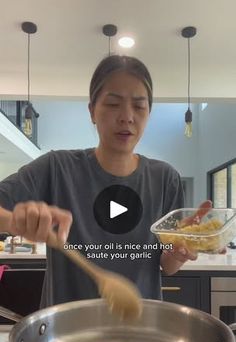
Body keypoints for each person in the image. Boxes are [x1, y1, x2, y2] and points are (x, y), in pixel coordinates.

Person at [0, 54, 205, 308]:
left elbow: (166, 265)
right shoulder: (56, 169)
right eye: (113, 103)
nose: (127, 116)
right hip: (66, 335)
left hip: (141, 331)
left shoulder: (165, 179)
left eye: (139, 106)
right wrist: (16, 220)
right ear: (92, 111)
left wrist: (178, 254)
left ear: (148, 113)